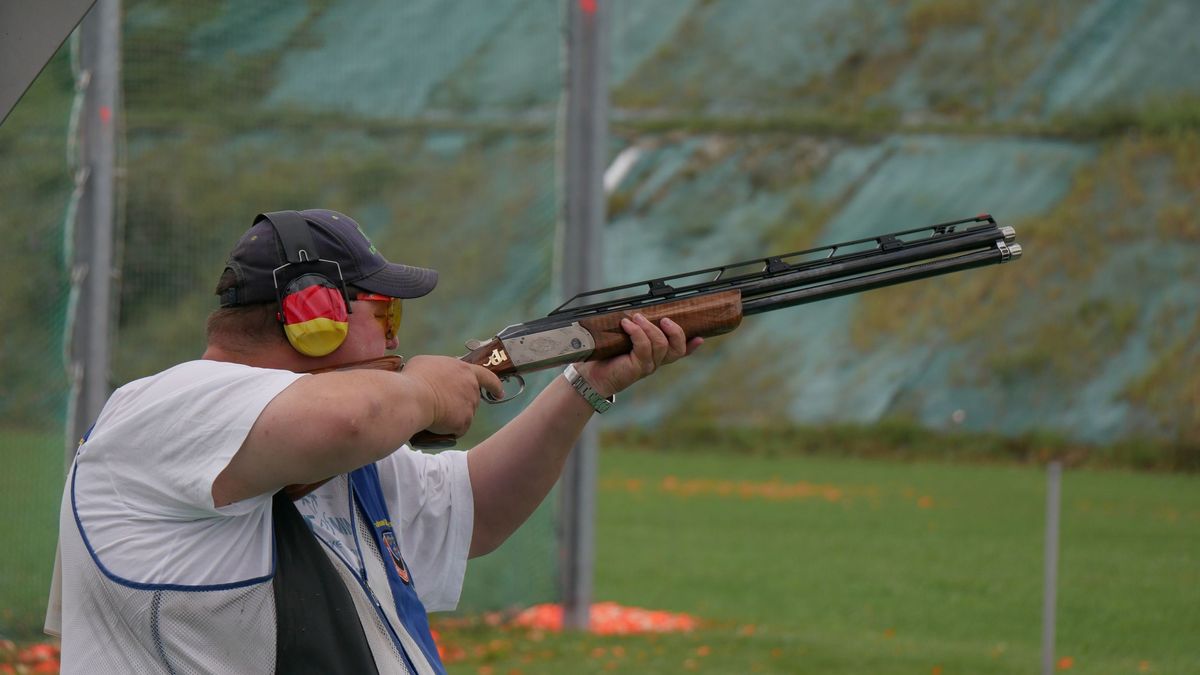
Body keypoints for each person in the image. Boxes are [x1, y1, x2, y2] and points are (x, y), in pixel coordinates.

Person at [47, 209, 700, 674]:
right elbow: (349, 419)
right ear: (312, 317)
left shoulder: (328, 455)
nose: (396, 336)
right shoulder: (164, 406)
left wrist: (584, 383)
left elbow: (476, 509)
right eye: (385, 313)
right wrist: (425, 390)